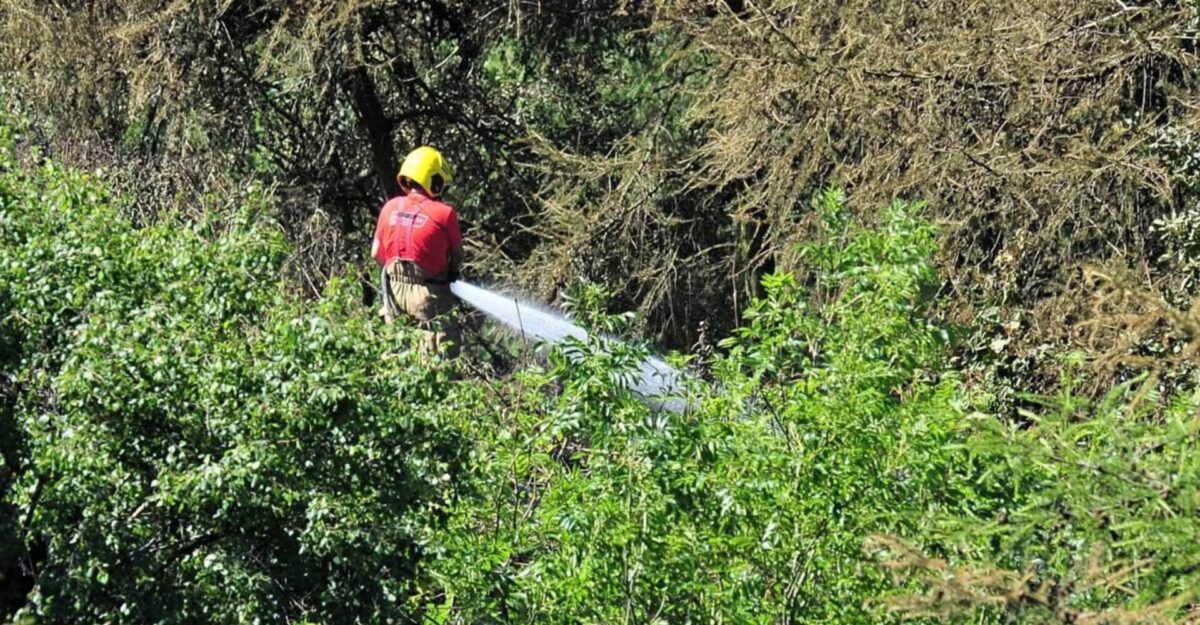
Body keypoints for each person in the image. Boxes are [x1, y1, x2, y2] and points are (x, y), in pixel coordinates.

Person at [372, 146, 464, 357]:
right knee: (440, 359)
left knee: (399, 357)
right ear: (434, 179)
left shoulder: (389, 207)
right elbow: (458, 256)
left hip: (394, 292)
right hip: (429, 294)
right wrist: (451, 273)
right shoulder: (444, 213)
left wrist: (399, 274)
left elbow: (376, 253)